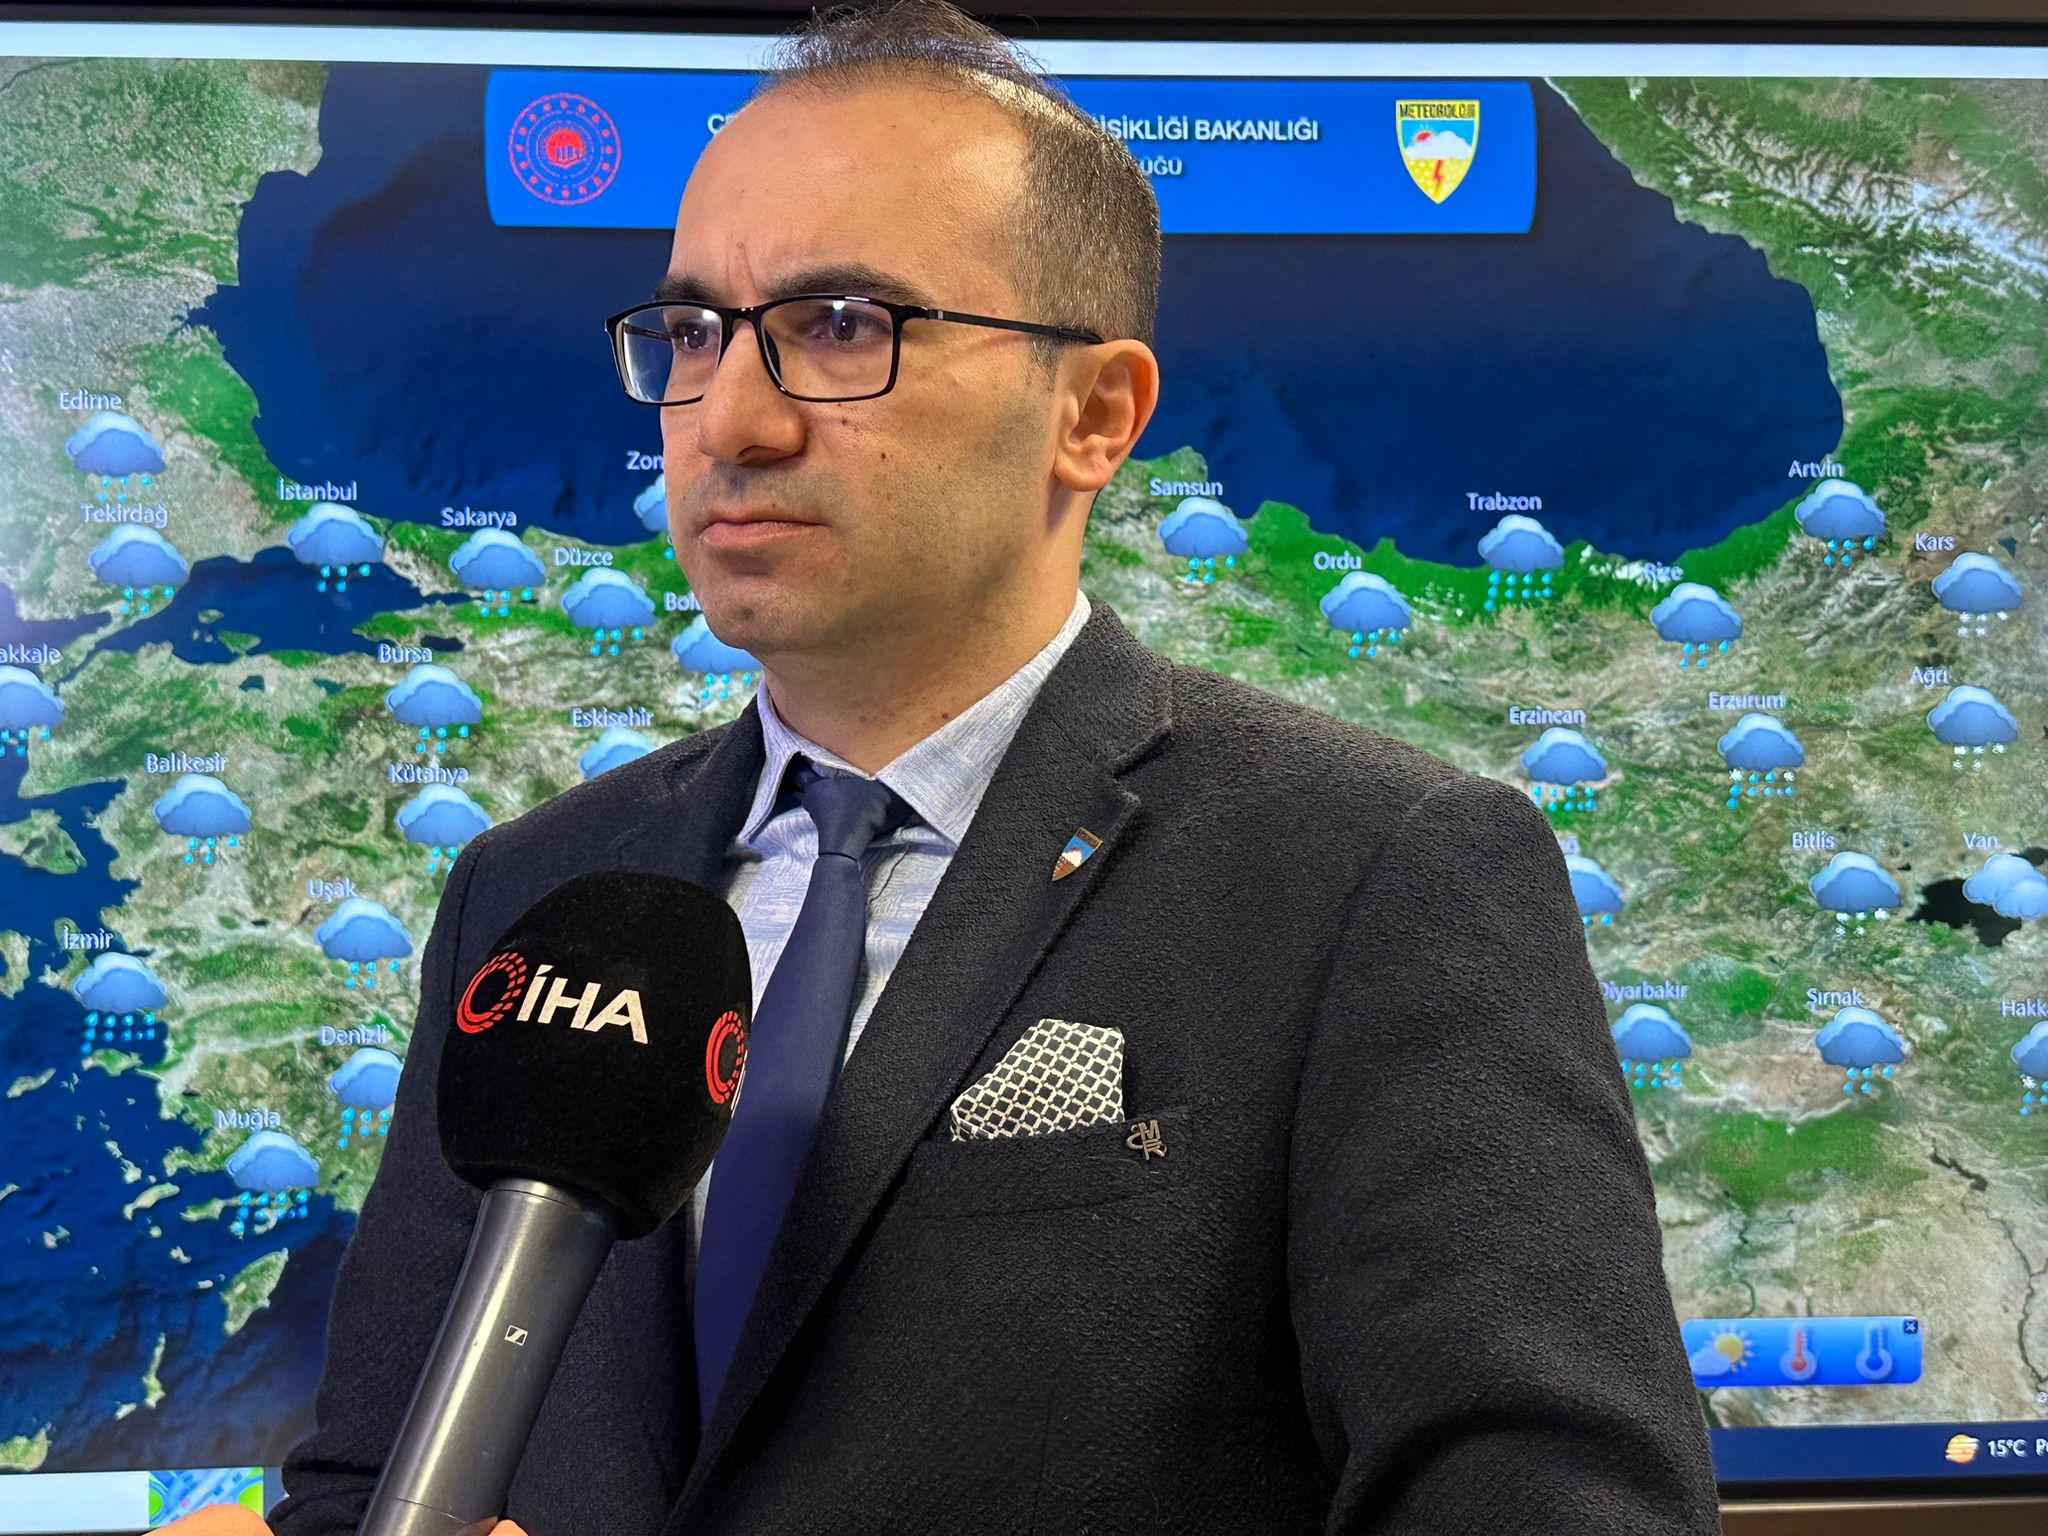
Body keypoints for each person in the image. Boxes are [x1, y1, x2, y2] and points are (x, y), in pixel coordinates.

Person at [170, 2, 1719, 1531]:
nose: (731, 420)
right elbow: (371, 1483)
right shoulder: (536, 890)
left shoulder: (1376, 873)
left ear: (1094, 414)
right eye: (695, 333)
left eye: (843, 326)